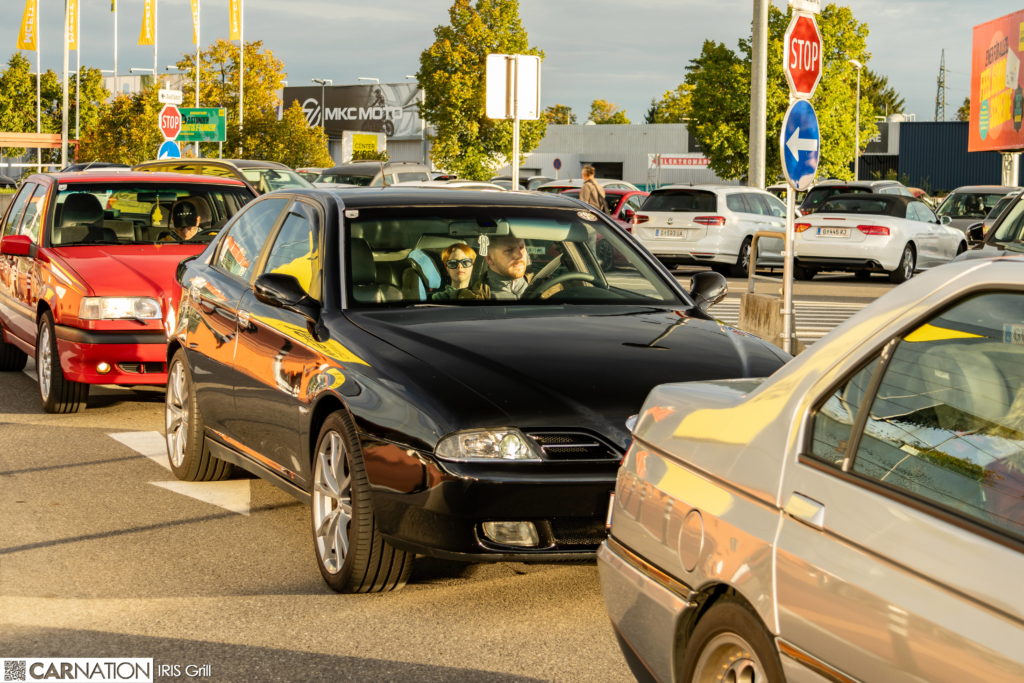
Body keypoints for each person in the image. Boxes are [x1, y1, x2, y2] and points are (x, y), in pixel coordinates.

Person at [459, 234, 532, 300]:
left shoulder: (537, 284)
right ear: (489, 259)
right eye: (509, 250)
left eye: (521, 247)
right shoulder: (472, 297)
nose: (520, 255)